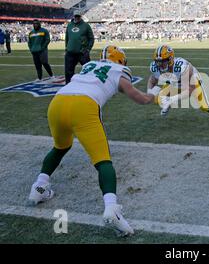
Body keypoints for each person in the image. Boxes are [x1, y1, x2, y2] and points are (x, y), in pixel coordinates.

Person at [29, 45, 156, 236]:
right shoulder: (119, 70)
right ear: (121, 60)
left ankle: (39, 186)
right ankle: (112, 208)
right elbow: (138, 97)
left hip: (57, 102)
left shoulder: (88, 65)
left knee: (60, 146)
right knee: (103, 160)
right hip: (84, 106)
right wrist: (152, 95)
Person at [147, 45, 209, 134]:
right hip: (174, 81)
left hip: (192, 82)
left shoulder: (182, 66)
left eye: (162, 62)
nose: (159, 64)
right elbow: (152, 80)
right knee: (158, 98)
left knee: (205, 106)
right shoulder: (155, 67)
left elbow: (189, 90)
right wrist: (149, 91)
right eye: (157, 61)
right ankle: (168, 104)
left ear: (170, 59)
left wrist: (172, 99)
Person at [65, 11, 94, 84]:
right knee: (68, 71)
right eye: (76, 16)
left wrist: (88, 49)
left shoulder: (86, 25)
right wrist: (67, 47)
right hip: (70, 53)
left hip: (82, 52)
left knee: (88, 70)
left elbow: (91, 38)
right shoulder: (69, 25)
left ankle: (90, 85)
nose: (77, 18)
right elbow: (67, 38)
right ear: (73, 16)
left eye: (78, 16)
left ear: (80, 16)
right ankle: (69, 86)